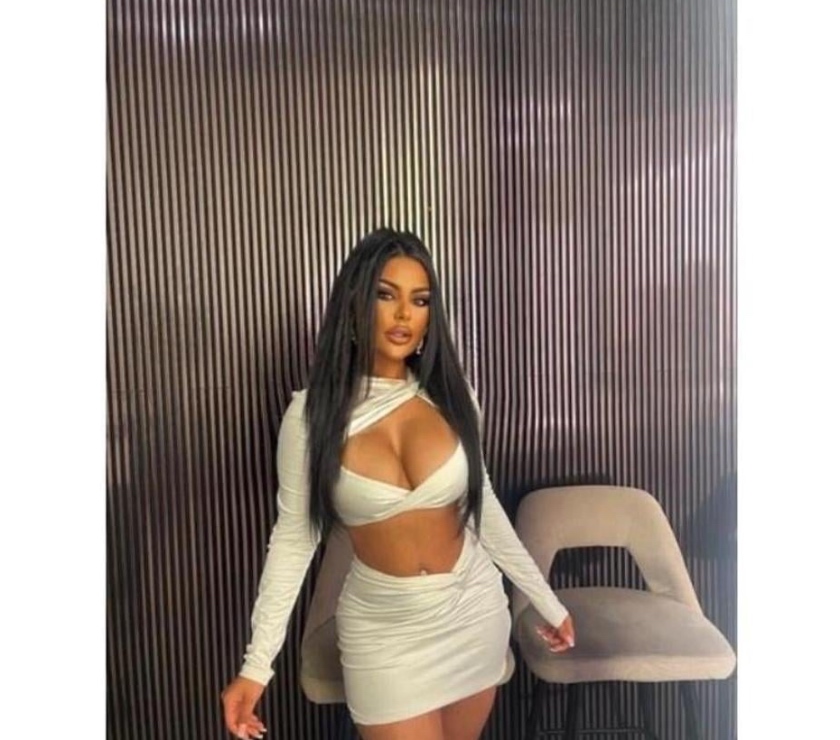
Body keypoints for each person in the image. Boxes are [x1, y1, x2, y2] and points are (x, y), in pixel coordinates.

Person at [221, 228, 575, 740]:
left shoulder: (455, 398)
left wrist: (546, 600)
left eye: (420, 300)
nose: (405, 314)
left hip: (474, 612)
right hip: (385, 633)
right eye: (386, 295)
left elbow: (484, 507)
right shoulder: (311, 417)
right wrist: (257, 665)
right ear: (355, 302)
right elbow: (295, 538)